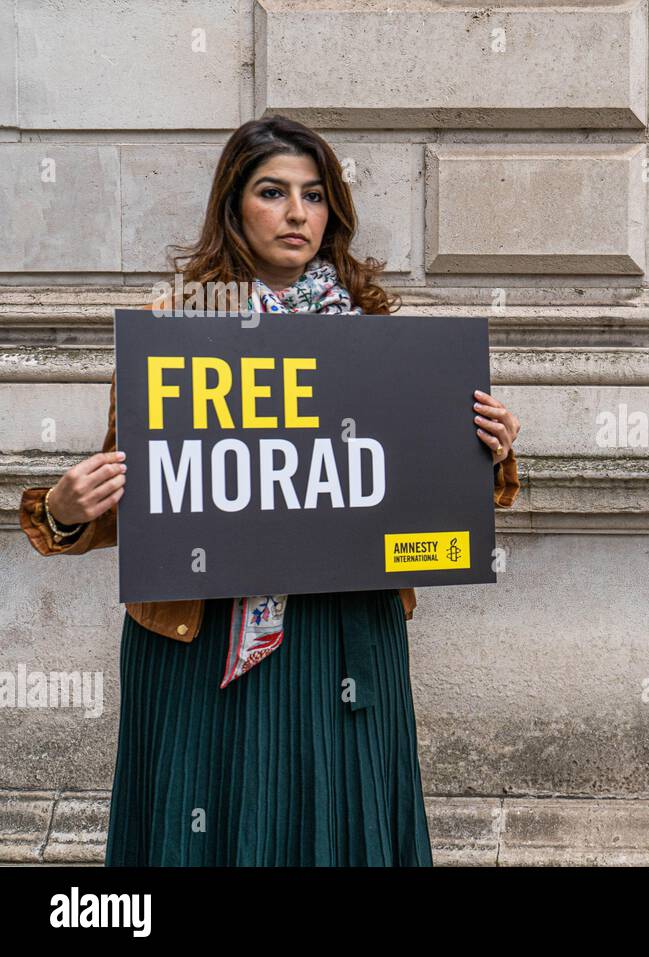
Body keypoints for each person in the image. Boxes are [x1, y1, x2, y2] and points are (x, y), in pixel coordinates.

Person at [17, 115, 522, 866]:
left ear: (333, 210)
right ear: (234, 206)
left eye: (314, 195)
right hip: (202, 641)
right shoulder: (176, 332)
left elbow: (430, 494)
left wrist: (490, 452)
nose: (297, 214)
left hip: (342, 637)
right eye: (272, 192)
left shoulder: (383, 337)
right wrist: (60, 512)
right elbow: (152, 500)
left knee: (339, 823)